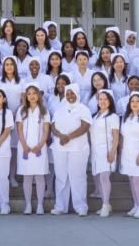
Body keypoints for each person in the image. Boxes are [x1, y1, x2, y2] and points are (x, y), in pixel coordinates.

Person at [50, 82, 92, 216]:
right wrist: (60, 136)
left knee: (77, 176)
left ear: (77, 94)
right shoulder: (59, 110)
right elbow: (53, 126)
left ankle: (81, 207)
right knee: (61, 177)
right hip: (60, 148)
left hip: (78, 148)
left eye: (72, 93)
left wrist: (69, 137)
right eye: (67, 93)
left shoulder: (83, 109)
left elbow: (85, 126)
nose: (70, 96)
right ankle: (60, 206)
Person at [16, 83, 51, 215]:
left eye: (34, 93)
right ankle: (28, 205)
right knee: (27, 177)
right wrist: (24, 145)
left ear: (39, 95)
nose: (31, 96)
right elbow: (19, 130)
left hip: (39, 148)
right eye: (29, 94)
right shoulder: (21, 110)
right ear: (26, 96)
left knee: (39, 177)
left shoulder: (44, 111)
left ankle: (40, 205)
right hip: (24, 148)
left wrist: (40, 145)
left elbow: (46, 131)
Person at [90, 89, 120, 217]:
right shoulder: (94, 116)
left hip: (107, 151)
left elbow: (116, 136)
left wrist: (113, 152)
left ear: (110, 101)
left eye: (105, 99)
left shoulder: (113, 116)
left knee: (104, 178)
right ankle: (105, 204)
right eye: (100, 99)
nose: (102, 101)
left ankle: (105, 205)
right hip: (96, 152)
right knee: (98, 178)